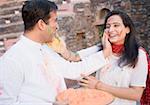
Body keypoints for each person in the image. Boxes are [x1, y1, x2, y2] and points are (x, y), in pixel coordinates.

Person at [0, 0, 111, 104]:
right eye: (55, 21)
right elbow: (6, 102)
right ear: (41, 25)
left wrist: (103, 52)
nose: (57, 26)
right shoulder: (12, 59)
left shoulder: (44, 49)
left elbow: (73, 70)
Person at [79, 10, 148, 105]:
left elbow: (136, 94)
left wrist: (98, 85)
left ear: (127, 29)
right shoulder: (101, 49)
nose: (111, 30)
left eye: (116, 25)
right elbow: (74, 57)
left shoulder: (138, 54)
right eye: (108, 26)